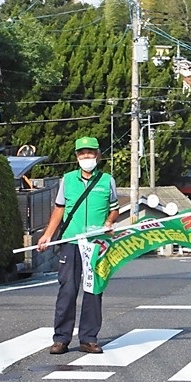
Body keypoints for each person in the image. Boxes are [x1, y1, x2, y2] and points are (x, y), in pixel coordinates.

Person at [38, 136, 119, 354]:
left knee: (93, 290)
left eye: (90, 153)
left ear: (98, 155)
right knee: (68, 289)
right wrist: (48, 235)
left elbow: (114, 208)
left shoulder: (107, 180)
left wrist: (109, 222)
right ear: (76, 156)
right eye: (82, 153)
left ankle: (88, 338)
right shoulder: (68, 179)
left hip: (97, 244)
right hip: (71, 242)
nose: (87, 157)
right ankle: (61, 339)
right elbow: (59, 209)